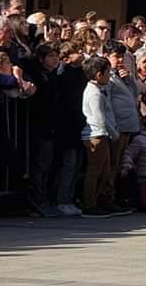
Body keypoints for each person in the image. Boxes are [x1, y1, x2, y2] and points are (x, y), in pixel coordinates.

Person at [80, 56, 127, 218]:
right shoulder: (94, 93)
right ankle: (89, 204)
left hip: (103, 134)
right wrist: (114, 135)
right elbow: (99, 119)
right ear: (99, 74)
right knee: (95, 171)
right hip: (96, 135)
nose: (109, 76)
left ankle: (99, 201)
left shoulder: (100, 90)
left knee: (105, 171)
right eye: (107, 73)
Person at [24, 43, 61, 217]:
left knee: (48, 164)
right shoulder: (37, 76)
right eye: (51, 56)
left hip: (52, 125)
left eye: (56, 56)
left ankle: (45, 196)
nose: (55, 59)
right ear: (41, 58)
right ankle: (39, 198)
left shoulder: (53, 76)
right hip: (40, 125)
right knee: (40, 164)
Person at [107, 43, 140, 211]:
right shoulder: (107, 76)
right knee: (112, 165)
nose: (120, 61)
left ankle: (115, 196)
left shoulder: (122, 75)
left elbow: (137, 91)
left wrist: (130, 78)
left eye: (122, 57)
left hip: (128, 125)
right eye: (116, 57)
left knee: (120, 164)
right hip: (116, 126)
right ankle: (107, 198)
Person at [54, 43, 87, 216]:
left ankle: (70, 197)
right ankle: (62, 199)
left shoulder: (82, 73)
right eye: (76, 52)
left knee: (77, 166)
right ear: (66, 58)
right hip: (68, 126)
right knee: (69, 164)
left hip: (81, 124)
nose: (81, 53)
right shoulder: (64, 75)